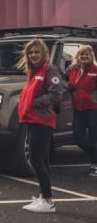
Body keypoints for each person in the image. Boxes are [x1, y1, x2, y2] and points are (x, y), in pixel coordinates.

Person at [18, 39, 64, 213]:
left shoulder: (50, 70)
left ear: (43, 53)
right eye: (30, 53)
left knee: (36, 160)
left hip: (42, 121)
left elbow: (57, 92)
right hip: (31, 119)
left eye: (37, 52)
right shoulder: (32, 71)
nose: (33, 55)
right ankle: (44, 196)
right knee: (42, 160)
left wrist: (36, 103)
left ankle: (48, 201)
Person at [65, 45, 97, 177]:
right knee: (78, 139)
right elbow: (64, 82)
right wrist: (68, 86)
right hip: (77, 109)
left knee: (94, 139)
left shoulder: (95, 70)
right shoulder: (71, 70)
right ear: (77, 56)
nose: (84, 57)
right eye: (81, 54)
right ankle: (96, 159)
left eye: (86, 54)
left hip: (93, 109)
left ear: (91, 56)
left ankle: (95, 164)